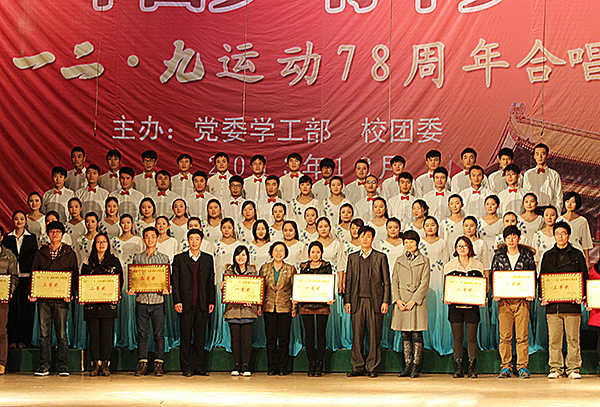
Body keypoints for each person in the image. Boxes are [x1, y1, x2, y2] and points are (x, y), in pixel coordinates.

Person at [540, 221, 587, 379]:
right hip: (553, 306)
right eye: (557, 234)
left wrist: (582, 295)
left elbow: (583, 276)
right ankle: (555, 367)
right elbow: (542, 278)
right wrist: (543, 296)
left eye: (563, 234)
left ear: (569, 235)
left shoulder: (577, 255)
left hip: (572, 305)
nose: (560, 237)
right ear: (554, 236)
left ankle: (573, 368)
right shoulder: (547, 255)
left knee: (573, 338)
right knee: (554, 339)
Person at [31, 221, 78, 376]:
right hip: (43, 299)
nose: (55, 234)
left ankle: (63, 366)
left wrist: (71, 293)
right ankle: (44, 365)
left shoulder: (69, 253)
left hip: (61, 299)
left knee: (62, 334)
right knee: (44, 334)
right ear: (48, 234)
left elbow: (74, 274)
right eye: (52, 231)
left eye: (58, 231)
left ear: (62, 234)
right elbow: (34, 273)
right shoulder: (41, 252)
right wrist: (33, 292)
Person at [344, 226, 390, 378]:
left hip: (375, 302)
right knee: (357, 335)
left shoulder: (380, 257)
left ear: (373, 239)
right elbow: (348, 281)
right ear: (358, 238)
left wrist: (385, 301)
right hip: (356, 302)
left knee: (374, 335)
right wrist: (347, 301)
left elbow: (386, 282)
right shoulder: (352, 257)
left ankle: (372, 367)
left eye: (368, 236)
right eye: (362, 236)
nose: (365, 239)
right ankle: (357, 366)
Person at [491, 226, 536, 379]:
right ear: (504, 240)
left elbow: (532, 275)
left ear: (519, 238)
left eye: (514, 236)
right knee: (505, 336)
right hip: (504, 301)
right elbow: (494, 275)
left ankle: (522, 366)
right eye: (508, 237)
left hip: (522, 301)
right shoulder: (498, 255)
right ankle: (505, 366)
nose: (511, 240)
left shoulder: (527, 255)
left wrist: (531, 292)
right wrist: (496, 292)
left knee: (522, 336)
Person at [172, 229, 215, 377]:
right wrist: (177, 300)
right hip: (185, 304)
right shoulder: (179, 259)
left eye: (197, 239)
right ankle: (186, 367)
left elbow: (210, 281)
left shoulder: (208, 259)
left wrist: (211, 301)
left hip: (202, 303)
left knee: (200, 336)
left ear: (201, 241)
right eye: (191, 239)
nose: (194, 242)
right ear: (187, 241)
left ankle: (199, 366)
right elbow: (175, 282)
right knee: (185, 336)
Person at [81, 233, 123, 377]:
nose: (101, 244)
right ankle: (95, 365)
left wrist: (115, 294)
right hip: (92, 305)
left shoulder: (114, 261)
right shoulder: (88, 262)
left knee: (106, 335)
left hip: (108, 305)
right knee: (94, 335)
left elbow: (120, 280)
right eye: (98, 242)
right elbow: (82, 280)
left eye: (104, 241)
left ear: (108, 244)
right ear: (94, 244)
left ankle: (105, 364)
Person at [130, 227, 170, 377]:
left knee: (159, 334)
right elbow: (134, 279)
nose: (150, 239)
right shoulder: (137, 258)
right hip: (141, 300)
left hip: (158, 301)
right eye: (147, 236)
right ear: (143, 239)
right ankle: (142, 363)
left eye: (153, 236)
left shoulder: (164, 258)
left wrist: (167, 289)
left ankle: (159, 364)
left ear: (158, 238)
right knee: (142, 334)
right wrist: (132, 288)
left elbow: (168, 279)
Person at [443, 236, 485, 379]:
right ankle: (458, 368)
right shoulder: (450, 265)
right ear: (455, 249)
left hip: (472, 308)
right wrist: (446, 296)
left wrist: (482, 297)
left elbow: (481, 286)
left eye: (465, 246)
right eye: (459, 246)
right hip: (455, 308)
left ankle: (472, 369)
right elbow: (447, 287)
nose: (462, 248)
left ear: (470, 248)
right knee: (457, 338)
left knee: (472, 337)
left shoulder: (478, 265)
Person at [391, 230, 430, 378]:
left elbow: (425, 283)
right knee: (405, 334)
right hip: (402, 301)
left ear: (417, 243)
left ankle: (416, 366)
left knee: (417, 334)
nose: (409, 245)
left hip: (417, 302)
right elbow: (394, 281)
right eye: (406, 242)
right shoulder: (399, 260)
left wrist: (414, 300)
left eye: (411, 242)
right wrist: (397, 300)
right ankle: (407, 365)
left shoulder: (424, 260)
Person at [296, 241, 334, 377]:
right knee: (309, 335)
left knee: (321, 334)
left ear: (322, 253)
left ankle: (319, 363)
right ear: (309, 253)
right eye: (313, 252)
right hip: (306, 305)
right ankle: (311, 363)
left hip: (322, 305)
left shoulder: (326, 266)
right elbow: (301, 285)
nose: (315, 255)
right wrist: (297, 297)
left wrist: (329, 297)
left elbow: (328, 283)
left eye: (318, 252)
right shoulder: (304, 266)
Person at [260, 242, 297, 375]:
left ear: (285, 253)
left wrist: (294, 308)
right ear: (271, 252)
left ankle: (282, 367)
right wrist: (259, 306)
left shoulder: (290, 269)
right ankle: (271, 367)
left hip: (285, 308)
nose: (278, 253)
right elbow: (260, 289)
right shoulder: (264, 268)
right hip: (269, 307)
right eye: (276, 250)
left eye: (281, 251)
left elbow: (295, 290)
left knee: (284, 339)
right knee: (270, 339)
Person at [222, 245, 258, 376]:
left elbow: (256, 290)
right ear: (234, 257)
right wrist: (223, 287)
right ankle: (237, 365)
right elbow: (227, 291)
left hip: (248, 310)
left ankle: (246, 365)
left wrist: (252, 300)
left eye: (243, 255)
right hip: (233, 310)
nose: (241, 257)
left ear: (247, 257)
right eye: (238, 255)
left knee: (246, 339)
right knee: (235, 339)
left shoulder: (253, 272)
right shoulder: (228, 272)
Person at [4, 210, 38, 349]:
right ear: (13, 221)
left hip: (26, 277)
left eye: (22, 219)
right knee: (12, 310)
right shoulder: (8, 238)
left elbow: (34, 259)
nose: (19, 221)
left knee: (25, 309)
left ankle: (24, 340)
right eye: (16, 219)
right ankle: (12, 339)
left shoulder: (31, 237)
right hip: (11, 278)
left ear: (26, 221)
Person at [419, 216, 451, 355]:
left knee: (438, 310)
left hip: (438, 279)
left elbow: (446, 263)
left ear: (437, 227)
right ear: (423, 227)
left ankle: (439, 341)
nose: (430, 227)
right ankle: (425, 342)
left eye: (432, 225)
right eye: (427, 225)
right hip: (424, 279)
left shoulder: (442, 243)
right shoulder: (420, 243)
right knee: (426, 310)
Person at [111, 214, 144, 349]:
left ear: (132, 224)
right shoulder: (114, 240)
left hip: (133, 274)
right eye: (123, 222)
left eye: (128, 222)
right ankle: (120, 336)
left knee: (132, 306)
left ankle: (133, 337)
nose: (125, 225)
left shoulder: (138, 240)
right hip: (119, 274)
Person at [210, 218, 239, 349]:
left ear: (233, 229)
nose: (226, 230)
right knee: (221, 309)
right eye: (224, 227)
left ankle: (233, 339)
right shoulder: (215, 244)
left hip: (235, 281)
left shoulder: (238, 244)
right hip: (219, 278)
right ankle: (221, 337)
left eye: (229, 227)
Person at [523, 143, 563, 212]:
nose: (540, 156)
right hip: (533, 210)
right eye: (537, 154)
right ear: (534, 156)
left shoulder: (554, 175)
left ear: (547, 156)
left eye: (543, 154)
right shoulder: (528, 174)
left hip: (549, 210)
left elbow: (558, 196)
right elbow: (525, 193)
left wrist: (556, 213)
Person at [0, 226, 18, 375]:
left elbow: (15, 277)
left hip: (2, 299)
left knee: (1, 330)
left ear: (1, 237)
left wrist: (8, 291)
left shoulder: (9, 255)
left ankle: (1, 362)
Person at [562, 191, 593, 270]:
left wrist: (587, 260)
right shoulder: (559, 220)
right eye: (567, 201)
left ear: (577, 204)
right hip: (562, 254)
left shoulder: (582, 221)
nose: (569, 204)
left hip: (577, 254)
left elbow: (585, 241)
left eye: (572, 202)